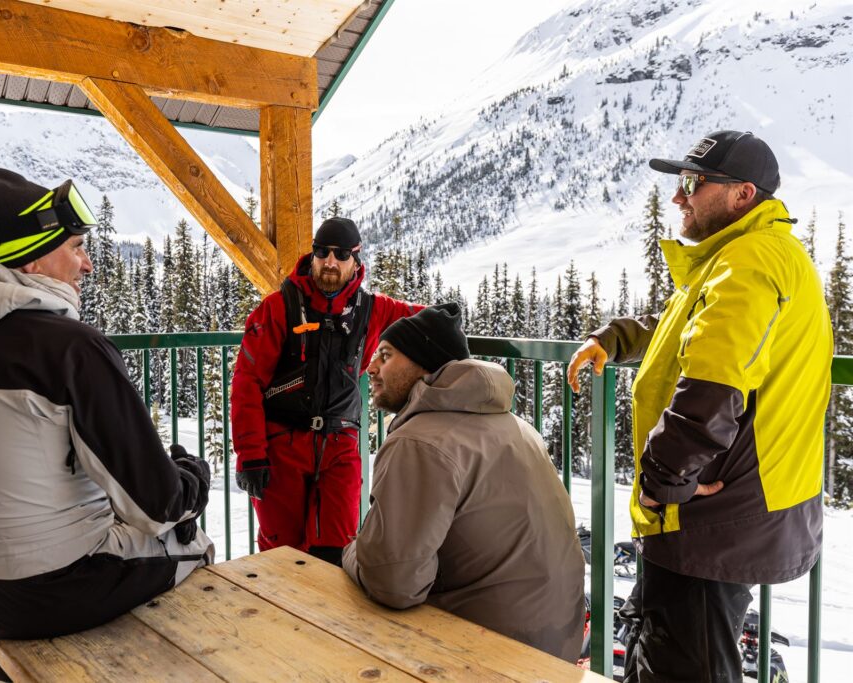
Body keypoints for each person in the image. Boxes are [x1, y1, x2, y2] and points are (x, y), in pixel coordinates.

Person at [0, 166, 214, 681]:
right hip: (42, 590)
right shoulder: (74, 350)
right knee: (188, 545)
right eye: (75, 247)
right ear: (33, 256)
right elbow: (156, 508)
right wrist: (192, 478)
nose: (86, 264)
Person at [567, 130, 832, 682]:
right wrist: (616, 338)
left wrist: (662, 482)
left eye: (692, 183)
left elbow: (714, 382)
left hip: (713, 516)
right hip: (714, 511)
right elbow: (688, 328)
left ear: (742, 194)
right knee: (662, 648)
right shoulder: (740, 256)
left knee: (683, 667)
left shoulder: (753, 260)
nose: (677, 197)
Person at [342, 304, 586, 662]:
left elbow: (392, 583)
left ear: (425, 365)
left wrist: (351, 552)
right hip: (553, 640)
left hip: (493, 651)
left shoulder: (420, 442)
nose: (372, 367)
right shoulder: (515, 426)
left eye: (386, 355)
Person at [230, 217, 422, 565]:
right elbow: (247, 382)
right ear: (313, 255)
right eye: (322, 252)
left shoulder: (372, 310)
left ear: (355, 261)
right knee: (280, 556)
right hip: (282, 446)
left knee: (337, 552)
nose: (330, 261)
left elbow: (422, 322)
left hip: (340, 447)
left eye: (341, 254)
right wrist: (251, 455)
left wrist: (452, 325)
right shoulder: (278, 308)